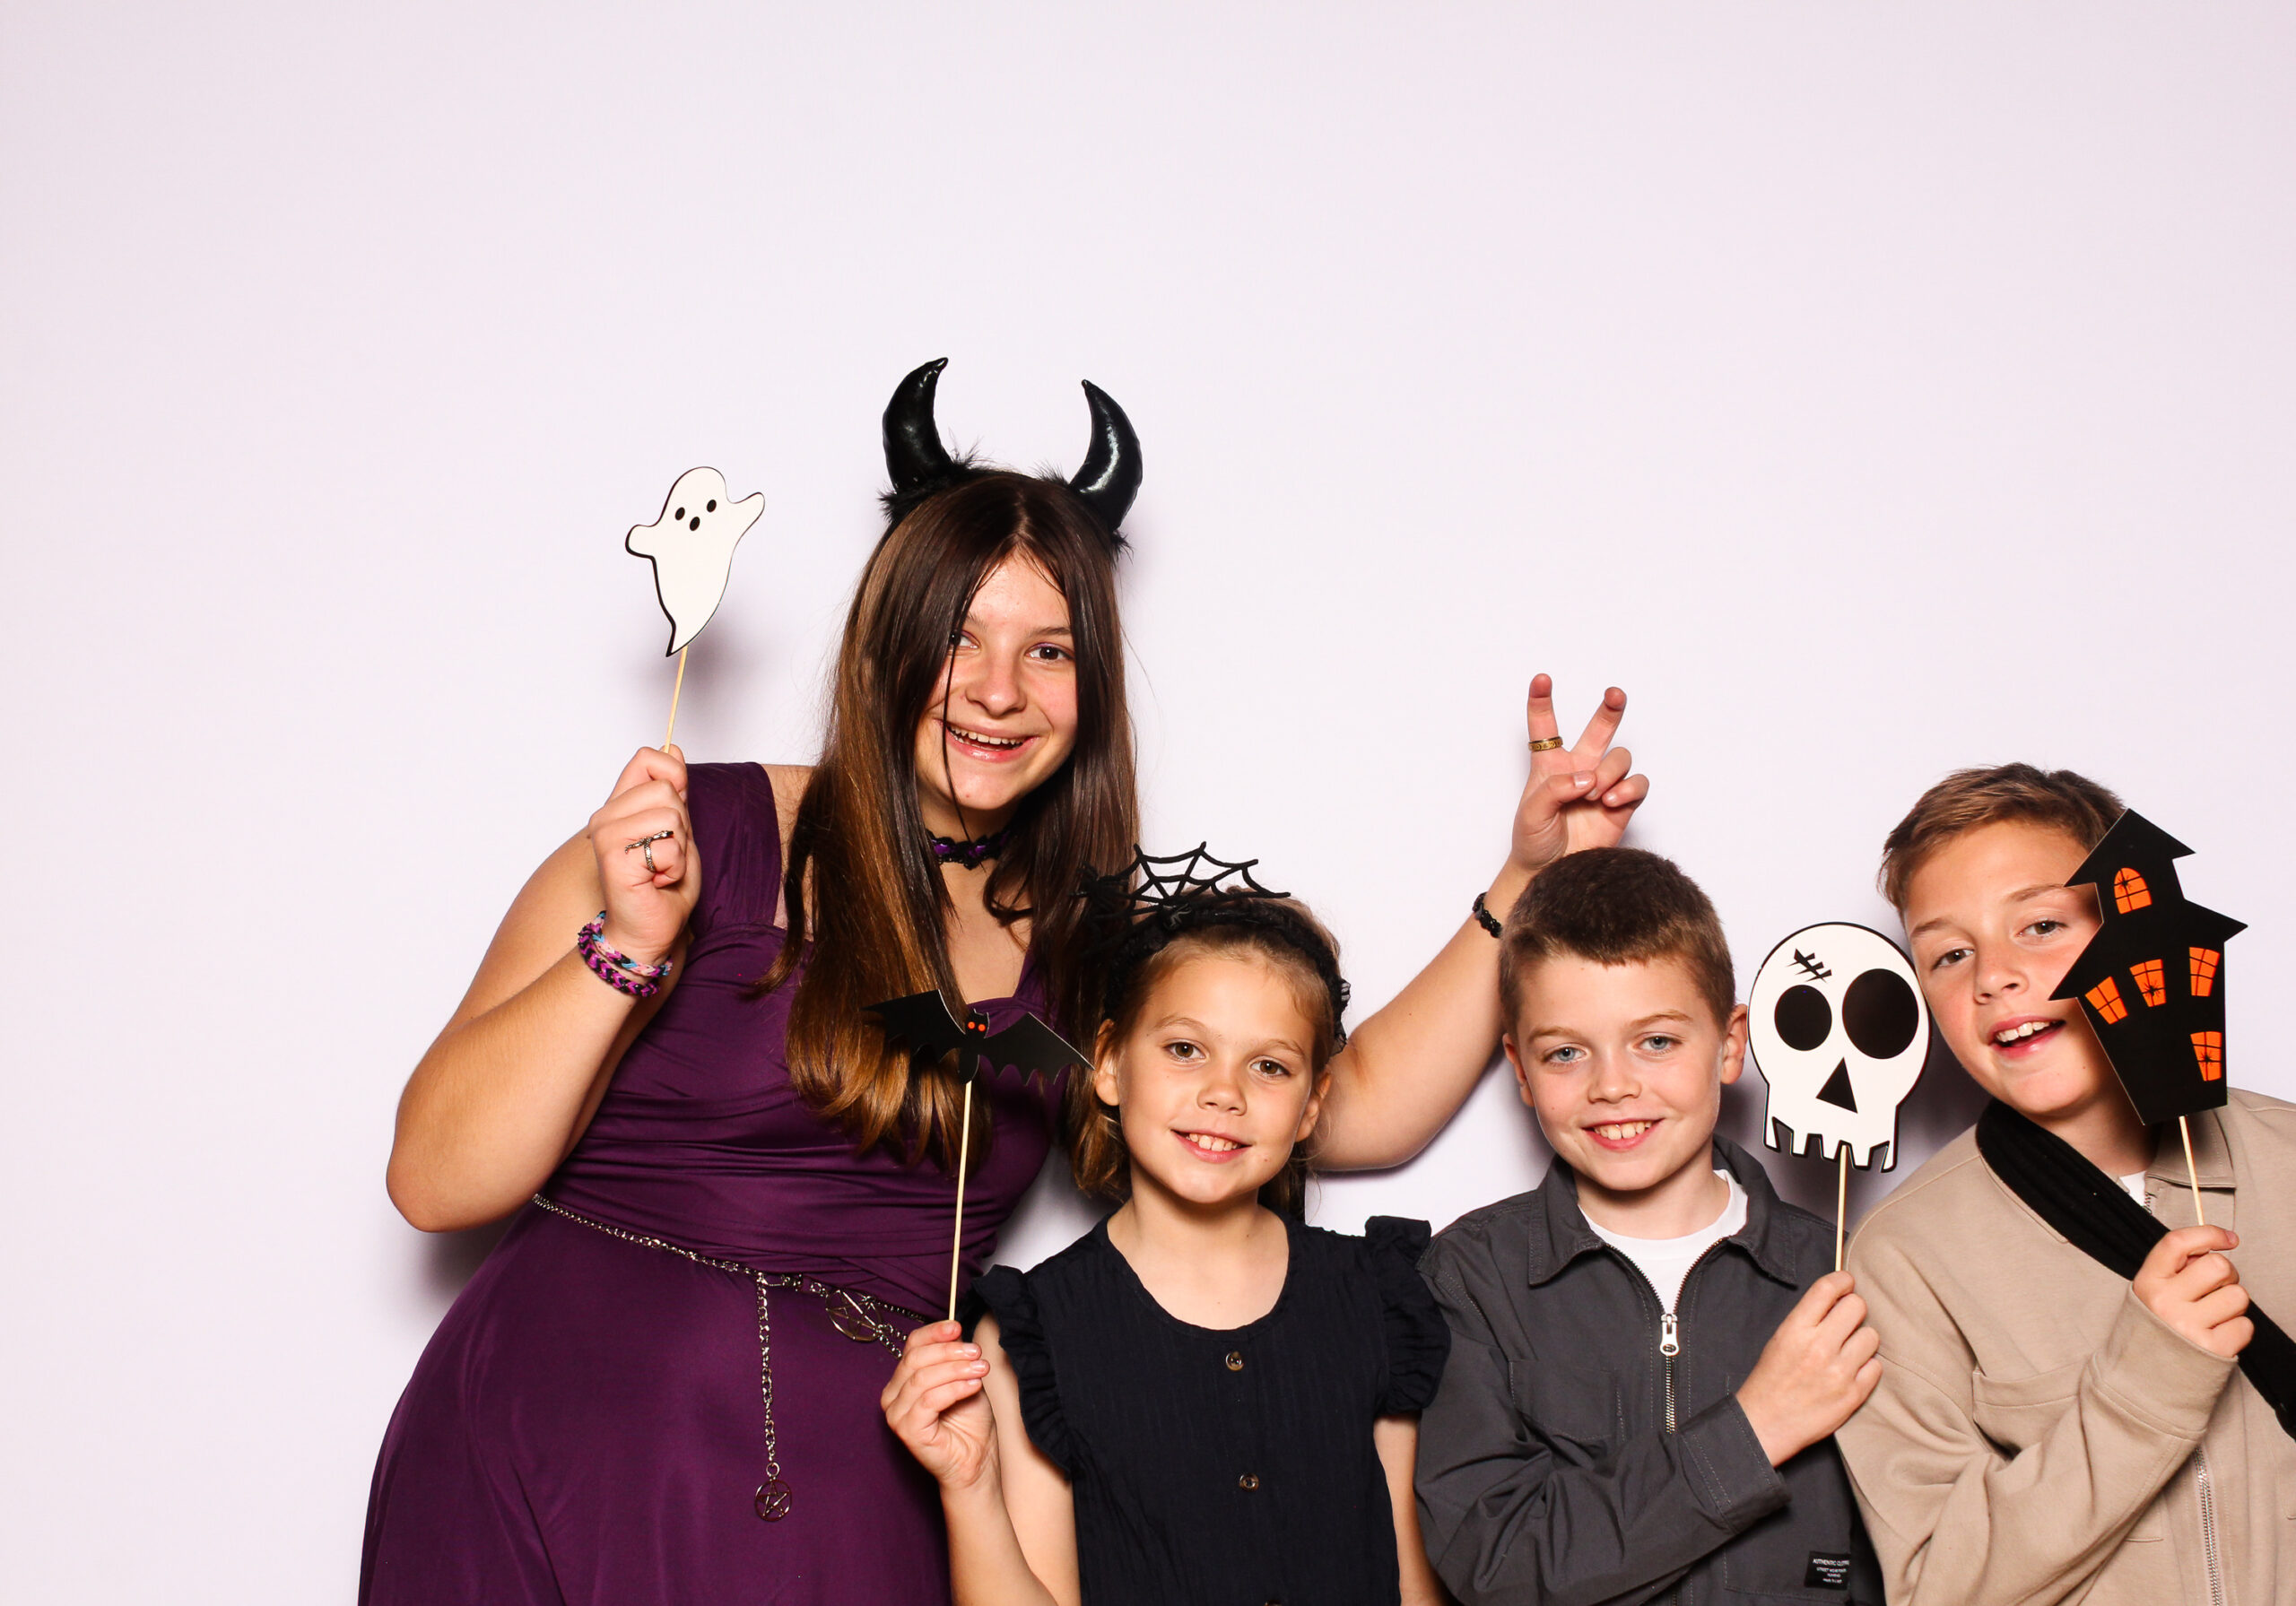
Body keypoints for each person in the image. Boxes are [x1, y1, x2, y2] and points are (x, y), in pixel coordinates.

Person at [362, 352, 1648, 1605]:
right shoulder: (691, 834)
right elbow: (434, 1180)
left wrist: (1525, 878)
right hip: (552, 1430)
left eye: (1049, 651)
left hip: (848, 1487)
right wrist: (631, 947)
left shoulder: (1086, 949)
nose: (995, 691)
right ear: (887, 644)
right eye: (960, 637)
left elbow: (1336, 1102)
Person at [881, 858, 1452, 1605]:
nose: (1224, 1092)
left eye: (1269, 1066)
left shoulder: (1377, 1295)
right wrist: (970, 1487)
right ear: (1110, 1063)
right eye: (1185, 1049)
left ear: (1312, 1104)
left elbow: (1413, 1585)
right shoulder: (1035, 1336)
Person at [1837, 764, 2296, 1604]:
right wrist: (2146, 1380)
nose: (1994, 975)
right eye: (1950, 954)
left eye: (2042, 924)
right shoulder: (1901, 1258)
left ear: (2134, 924)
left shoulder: (2289, 1160)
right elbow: (1936, 1587)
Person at [1415, 847, 1882, 1605]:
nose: (1613, 1085)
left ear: (1731, 1043)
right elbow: (1498, 1564)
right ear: (1520, 1069)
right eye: (1566, 1052)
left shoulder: (1840, 1272)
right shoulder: (1472, 1276)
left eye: (1656, 1041)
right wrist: (1755, 1428)